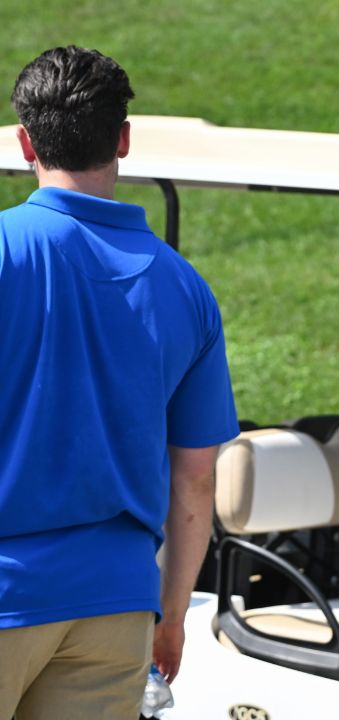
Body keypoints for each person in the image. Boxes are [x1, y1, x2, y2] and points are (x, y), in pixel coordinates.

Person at [0, 46, 238, 719]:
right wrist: (169, 614)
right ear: (123, 139)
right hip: (117, 605)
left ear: (25, 142)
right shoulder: (185, 287)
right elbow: (194, 476)